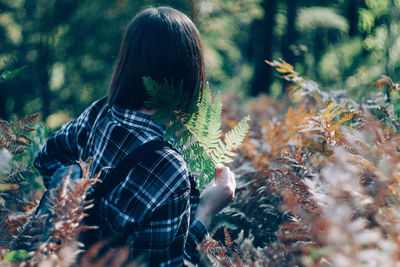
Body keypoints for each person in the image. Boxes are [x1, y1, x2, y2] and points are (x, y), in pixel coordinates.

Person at [34, 6, 236, 267]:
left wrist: (74, 213)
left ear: (128, 61)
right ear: (189, 72)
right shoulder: (170, 169)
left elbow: (48, 157)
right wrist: (206, 210)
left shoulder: (100, 113)